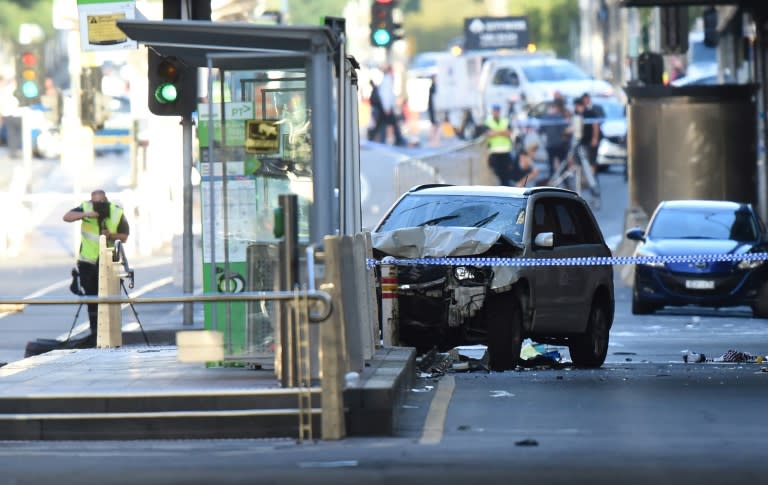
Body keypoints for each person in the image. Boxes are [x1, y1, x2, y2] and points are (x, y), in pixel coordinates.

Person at [63, 189, 130, 346]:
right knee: (92, 300)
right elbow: (67, 217)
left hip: (109, 263)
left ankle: (111, 334)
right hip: (88, 262)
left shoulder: (116, 212)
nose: (98, 206)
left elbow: (124, 236)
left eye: (100, 202)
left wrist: (111, 236)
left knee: (110, 300)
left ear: (106, 200)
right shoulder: (86, 208)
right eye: (95, 202)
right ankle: (95, 333)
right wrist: (85, 215)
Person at [539, 92, 570, 177]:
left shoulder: (545, 118)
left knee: (551, 166)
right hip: (559, 144)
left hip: (550, 145)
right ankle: (566, 184)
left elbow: (541, 131)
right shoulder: (559, 117)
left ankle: (551, 183)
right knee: (563, 166)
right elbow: (565, 130)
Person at [375, 65, 406, 146]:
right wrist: (387, 107)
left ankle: (389, 139)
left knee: (385, 123)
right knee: (386, 123)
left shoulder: (387, 79)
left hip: (387, 106)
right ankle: (397, 139)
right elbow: (385, 95)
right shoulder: (387, 80)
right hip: (387, 107)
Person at [484, 103, 514, 186]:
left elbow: (509, 133)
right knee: (497, 173)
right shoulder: (488, 122)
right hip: (494, 152)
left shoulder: (505, 120)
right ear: (492, 111)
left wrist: (496, 132)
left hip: (505, 151)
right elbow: (489, 134)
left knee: (506, 174)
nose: (496, 112)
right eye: (495, 111)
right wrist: (502, 131)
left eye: (497, 111)